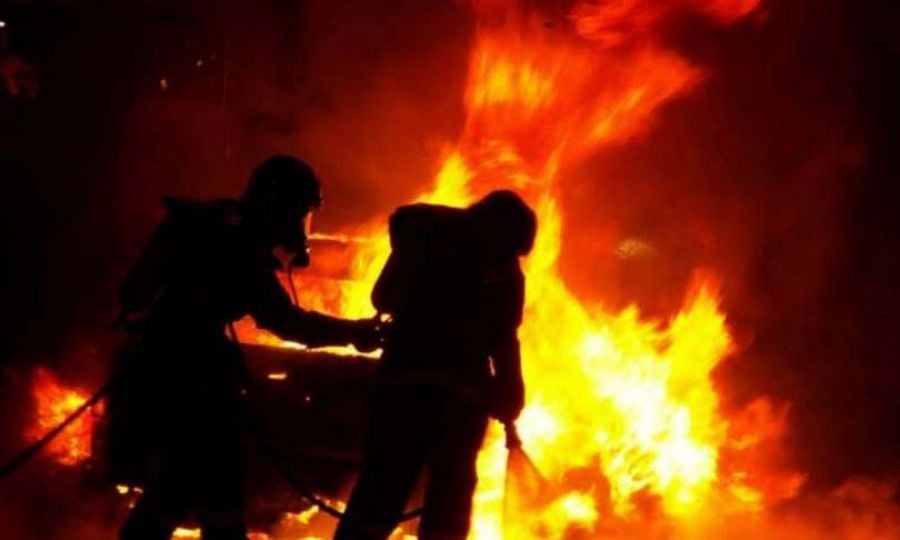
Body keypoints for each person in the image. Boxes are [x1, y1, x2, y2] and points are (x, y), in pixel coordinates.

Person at [111, 156, 379, 540]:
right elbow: (285, 322)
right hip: (196, 383)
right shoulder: (240, 247)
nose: (299, 224)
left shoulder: (206, 224)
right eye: (299, 212)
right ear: (278, 205)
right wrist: (353, 333)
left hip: (157, 370)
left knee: (175, 491)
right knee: (210, 493)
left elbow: (135, 296)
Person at [334, 190, 537, 540]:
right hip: (458, 402)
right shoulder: (504, 271)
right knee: (450, 497)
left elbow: (382, 297)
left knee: (381, 487)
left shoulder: (422, 239)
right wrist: (509, 389)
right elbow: (503, 340)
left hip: (398, 388)